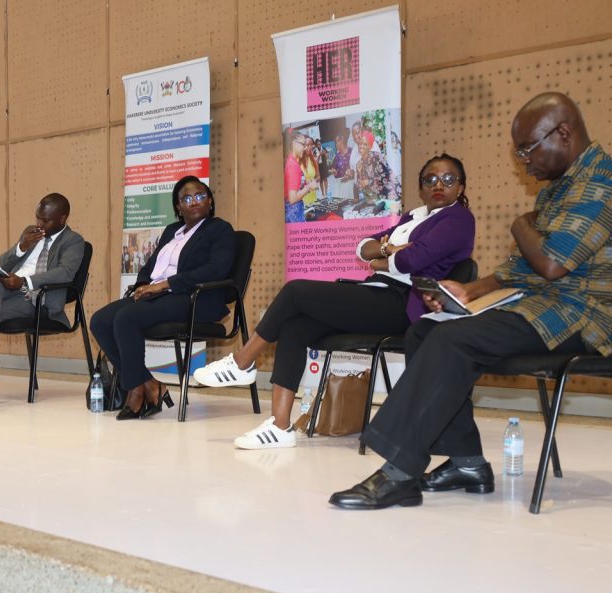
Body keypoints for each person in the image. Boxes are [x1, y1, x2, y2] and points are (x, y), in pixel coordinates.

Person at [329, 92, 612, 510]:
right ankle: (466, 461)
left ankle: (399, 472)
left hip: (582, 315)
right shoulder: (561, 184)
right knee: (425, 331)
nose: (524, 162)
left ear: (564, 133)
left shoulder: (600, 183)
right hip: (543, 305)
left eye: (527, 150)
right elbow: (525, 266)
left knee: (453, 340)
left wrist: (520, 224)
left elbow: (551, 263)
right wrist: (472, 291)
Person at [194, 154, 476, 449]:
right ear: (420, 187)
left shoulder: (458, 219)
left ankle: (242, 362)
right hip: (378, 293)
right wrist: (387, 250)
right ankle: (279, 426)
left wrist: (383, 259)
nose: (438, 185)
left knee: (295, 291)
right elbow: (362, 248)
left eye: (448, 179)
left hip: (403, 305)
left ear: (461, 187)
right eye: (430, 179)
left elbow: (412, 260)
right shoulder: (413, 217)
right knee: (296, 327)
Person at [91, 176, 236, 420]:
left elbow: (216, 270)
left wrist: (165, 285)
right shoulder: (172, 231)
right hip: (160, 295)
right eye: (187, 198)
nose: (194, 202)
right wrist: (143, 285)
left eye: (201, 196)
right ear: (178, 206)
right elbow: (151, 265)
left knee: (127, 317)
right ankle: (148, 382)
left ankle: (135, 390)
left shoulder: (220, 229)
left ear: (210, 201)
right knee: (100, 321)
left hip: (195, 298)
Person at [0, 193, 83, 406]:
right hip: (11, 289)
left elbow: (65, 273)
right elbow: (3, 263)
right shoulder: (31, 234)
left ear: (62, 219)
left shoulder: (73, 241)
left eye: (45, 220)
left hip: (39, 299)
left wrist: (24, 281)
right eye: (37, 218)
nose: (39, 224)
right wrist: (22, 247)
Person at [284, 130, 318, 223]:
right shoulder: (293, 165)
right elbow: (292, 198)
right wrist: (309, 187)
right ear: (294, 143)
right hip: (293, 213)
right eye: (303, 144)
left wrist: (304, 184)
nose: (305, 148)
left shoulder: (290, 161)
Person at [355, 132, 399, 203]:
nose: (361, 146)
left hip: (389, 196)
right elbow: (361, 186)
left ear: (370, 146)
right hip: (374, 200)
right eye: (360, 143)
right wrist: (359, 173)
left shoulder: (377, 157)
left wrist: (369, 181)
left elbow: (387, 176)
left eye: (365, 144)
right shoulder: (359, 164)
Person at [330, 132, 355, 200]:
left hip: (351, 185)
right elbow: (335, 173)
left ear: (341, 142)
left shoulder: (352, 152)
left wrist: (350, 175)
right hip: (340, 186)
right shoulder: (337, 156)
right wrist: (334, 173)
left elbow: (357, 168)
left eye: (336, 142)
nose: (336, 145)